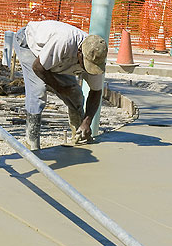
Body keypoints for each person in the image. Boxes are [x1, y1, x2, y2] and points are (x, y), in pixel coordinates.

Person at [12, 20, 107, 150]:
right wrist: (60, 88)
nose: (88, 69)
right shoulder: (64, 41)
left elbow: (96, 92)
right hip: (29, 44)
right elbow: (38, 67)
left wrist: (87, 122)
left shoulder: (97, 58)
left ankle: (80, 134)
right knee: (38, 91)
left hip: (54, 58)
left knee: (75, 94)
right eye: (86, 65)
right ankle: (31, 143)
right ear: (80, 53)